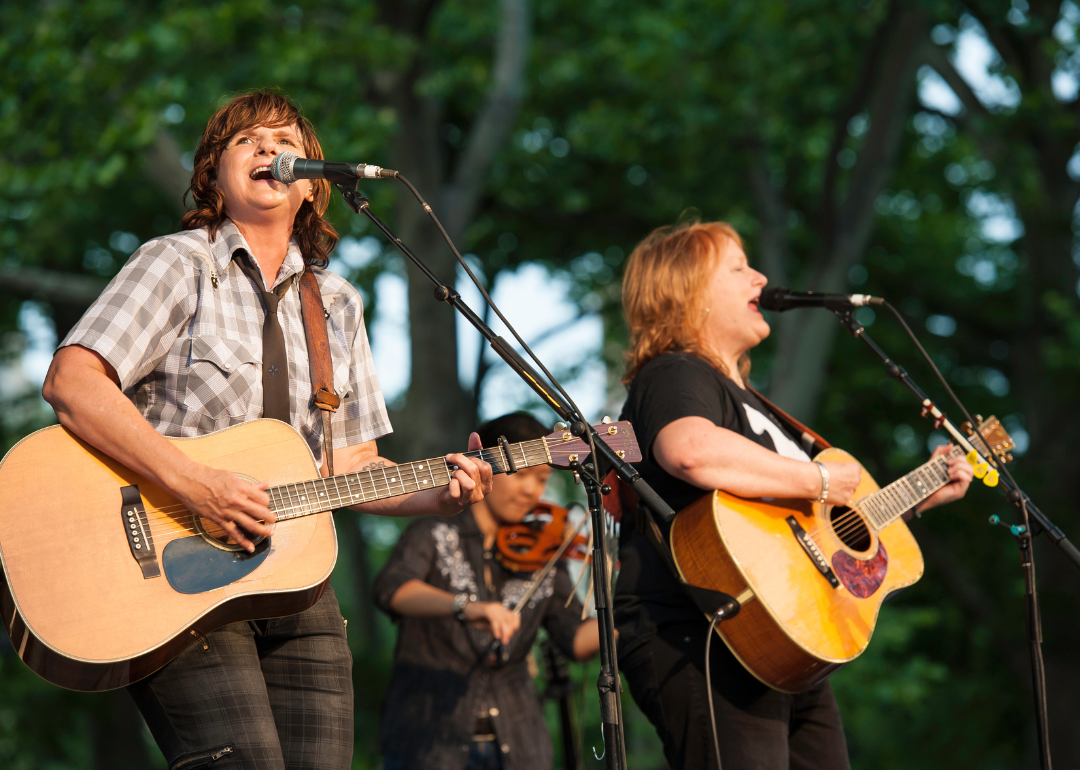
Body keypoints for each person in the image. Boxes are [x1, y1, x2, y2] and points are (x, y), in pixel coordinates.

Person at [41, 90, 492, 770]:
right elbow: (71, 382)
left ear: (312, 186)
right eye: (245, 141)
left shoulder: (335, 303)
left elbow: (348, 467)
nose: (265, 148)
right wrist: (195, 484)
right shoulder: (178, 262)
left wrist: (438, 496)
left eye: (284, 140)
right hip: (172, 574)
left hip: (296, 581)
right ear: (214, 178)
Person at [613, 221, 974, 770]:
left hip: (790, 636)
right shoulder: (674, 372)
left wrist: (917, 496)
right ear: (687, 291)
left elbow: (815, 531)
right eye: (738, 268)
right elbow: (690, 451)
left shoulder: (754, 403)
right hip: (705, 634)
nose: (760, 276)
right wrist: (822, 481)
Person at [373, 412, 602, 770]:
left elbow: (574, 638)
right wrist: (466, 607)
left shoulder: (544, 548)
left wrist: (636, 615)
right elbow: (392, 588)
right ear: (485, 467)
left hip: (520, 746)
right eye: (521, 473)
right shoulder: (434, 529)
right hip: (429, 743)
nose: (531, 490)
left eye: (541, 479)